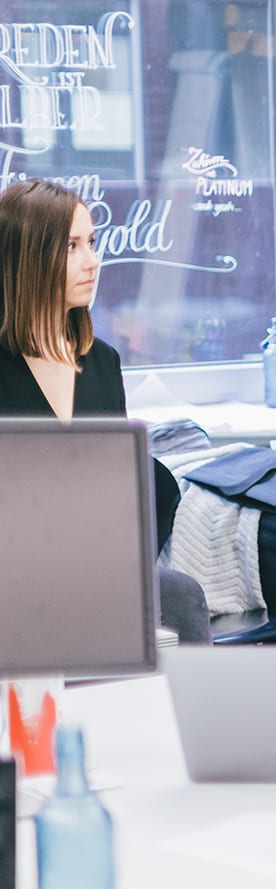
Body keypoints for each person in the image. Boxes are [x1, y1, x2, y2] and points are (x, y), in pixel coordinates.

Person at [0, 178, 209, 643]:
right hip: (13, 567)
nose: (93, 262)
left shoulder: (102, 362)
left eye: (91, 243)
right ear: (26, 256)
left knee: (155, 485)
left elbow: (116, 495)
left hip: (92, 565)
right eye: (72, 246)